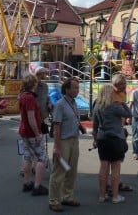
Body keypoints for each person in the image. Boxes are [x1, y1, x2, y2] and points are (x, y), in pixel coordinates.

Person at [49, 77, 86, 212]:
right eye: (75, 87)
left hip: (74, 140)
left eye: (78, 87)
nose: (77, 90)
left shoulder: (73, 102)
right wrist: (57, 147)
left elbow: (73, 118)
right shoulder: (60, 104)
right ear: (67, 89)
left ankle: (67, 197)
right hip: (63, 141)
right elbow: (57, 127)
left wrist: (80, 127)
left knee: (72, 171)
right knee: (59, 172)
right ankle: (53, 200)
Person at [92, 83, 132, 204]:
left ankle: (102, 195)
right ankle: (115, 196)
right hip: (115, 137)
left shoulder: (97, 106)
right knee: (115, 167)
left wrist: (95, 139)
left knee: (103, 167)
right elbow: (129, 114)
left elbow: (94, 126)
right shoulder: (114, 106)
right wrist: (123, 102)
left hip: (102, 138)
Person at [18, 74, 49, 196]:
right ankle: (37, 186)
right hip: (31, 132)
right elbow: (31, 117)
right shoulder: (30, 98)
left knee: (27, 156)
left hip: (24, 130)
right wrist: (37, 133)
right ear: (33, 84)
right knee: (42, 157)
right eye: (36, 83)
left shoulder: (23, 96)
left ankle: (27, 183)